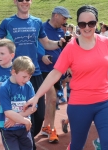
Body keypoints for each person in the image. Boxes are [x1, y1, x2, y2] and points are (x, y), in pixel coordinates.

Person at [24, 5, 108, 150]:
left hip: (106, 102)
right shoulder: (71, 48)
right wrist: (36, 97)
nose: (87, 27)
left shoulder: (106, 43)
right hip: (79, 105)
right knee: (77, 145)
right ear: (78, 24)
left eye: (91, 23)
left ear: (96, 22)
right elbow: (55, 73)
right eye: (82, 24)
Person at [0, 1, 65, 149]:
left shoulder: (37, 22)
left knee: (38, 114)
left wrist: (59, 43)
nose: (24, 2)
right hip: (16, 76)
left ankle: (26, 140)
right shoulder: (8, 22)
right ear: (15, 2)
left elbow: (47, 44)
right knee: (19, 112)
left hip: (35, 74)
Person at [37, 6, 72, 143]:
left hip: (58, 70)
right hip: (43, 70)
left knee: (53, 100)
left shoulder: (61, 31)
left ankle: (46, 126)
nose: (65, 21)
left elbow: (63, 51)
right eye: (64, 18)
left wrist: (68, 65)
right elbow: (35, 45)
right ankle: (52, 129)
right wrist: (42, 57)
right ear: (56, 15)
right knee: (51, 98)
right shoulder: (42, 28)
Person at [0, 56, 37, 150]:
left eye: (29, 77)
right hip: (9, 131)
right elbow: (8, 112)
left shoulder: (28, 85)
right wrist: (24, 120)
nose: (27, 79)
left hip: (24, 129)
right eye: (24, 76)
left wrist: (17, 119)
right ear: (14, 72)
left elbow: (33, 107)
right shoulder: (4, 88)